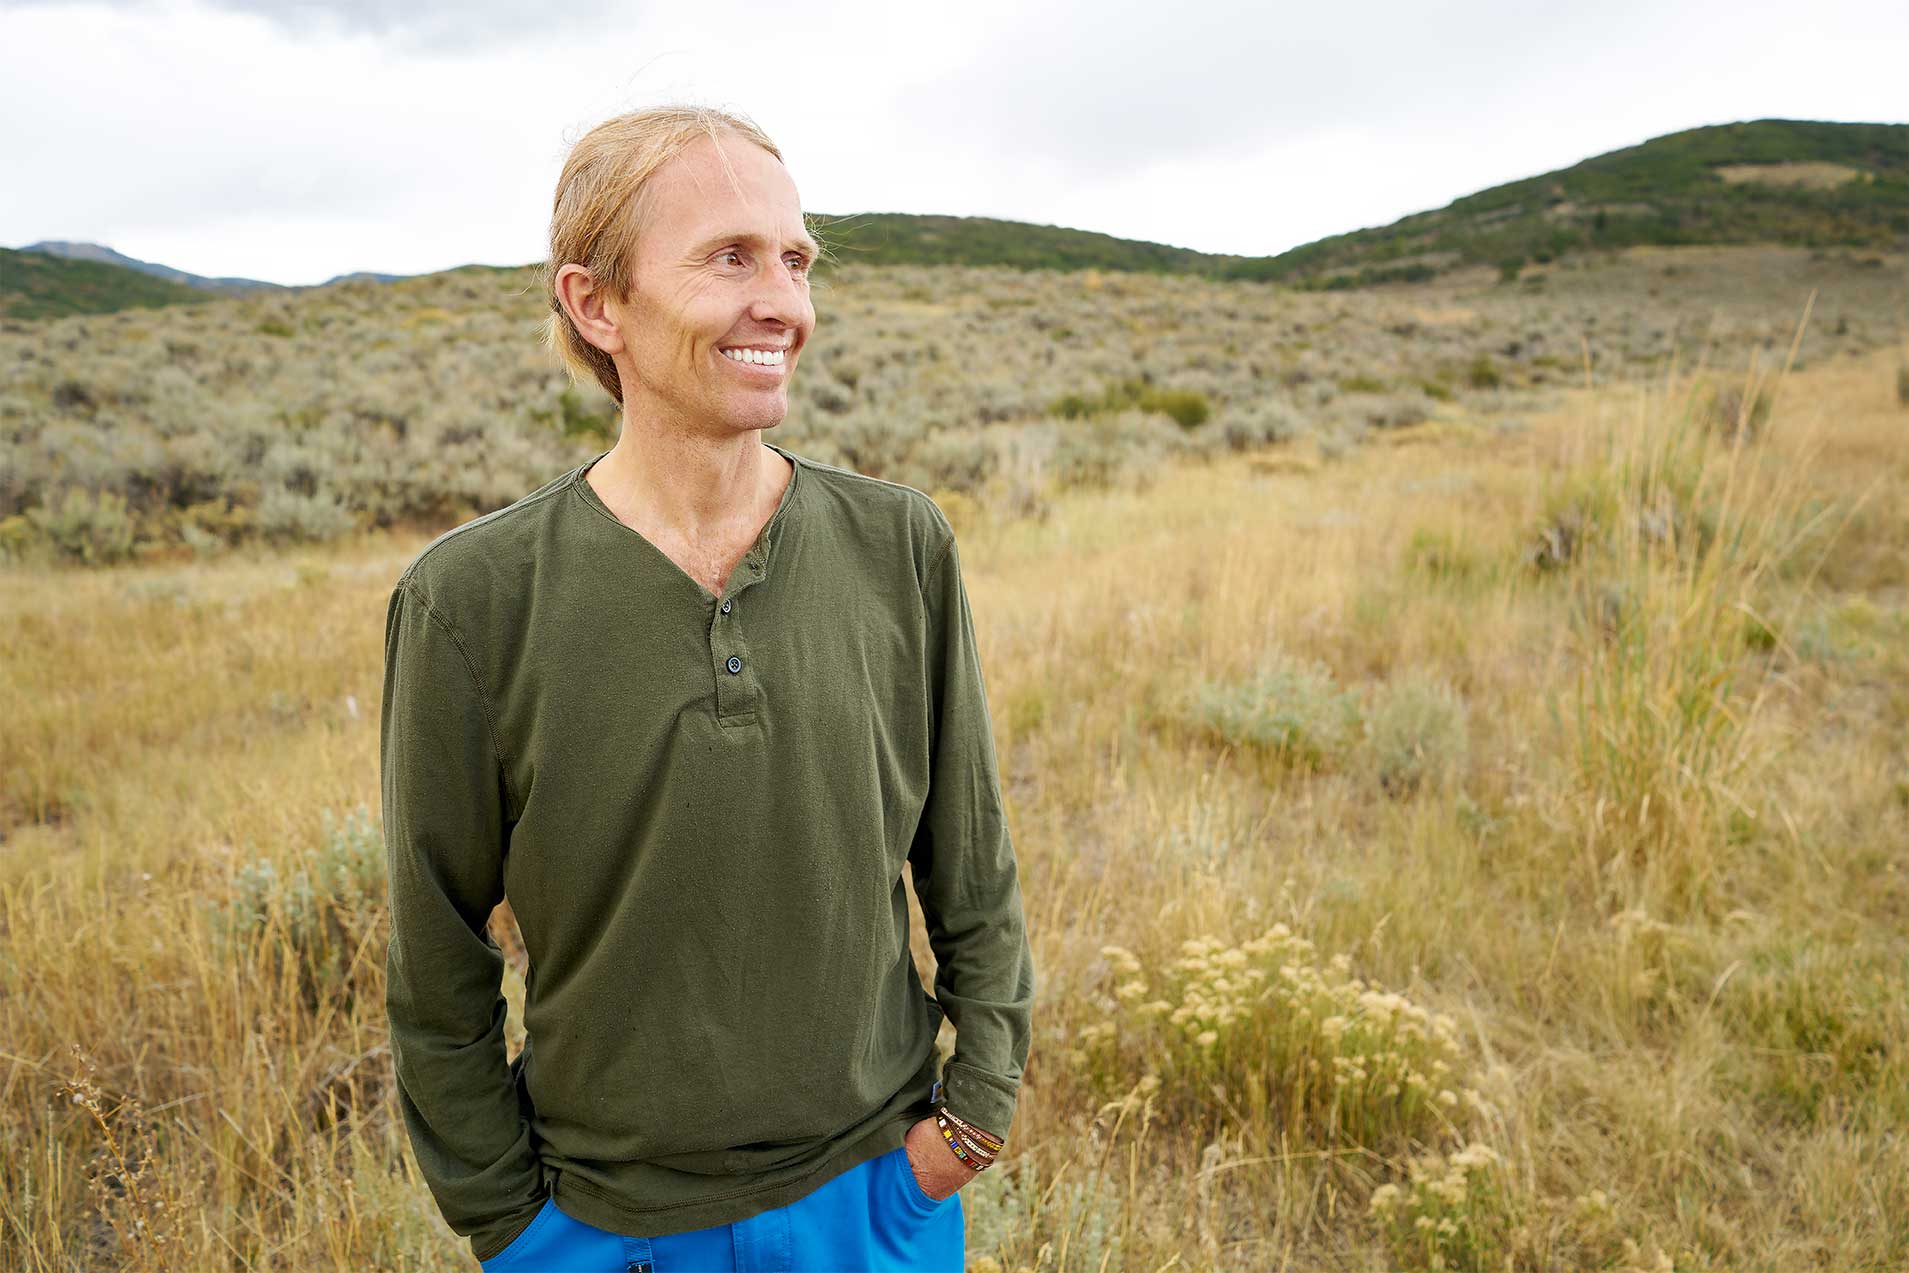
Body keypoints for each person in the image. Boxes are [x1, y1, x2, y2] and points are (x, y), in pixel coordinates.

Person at [378, 103, 1035, 1272]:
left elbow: (970, 865)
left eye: (795, 258)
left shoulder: (899, 547)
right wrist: (514, 1228)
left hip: (876, 1199)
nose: (783, 300)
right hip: (601, 1229)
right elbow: (435, 958)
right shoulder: (470, 602)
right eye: (730, 256)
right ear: (596, 304)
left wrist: (968, 1120)